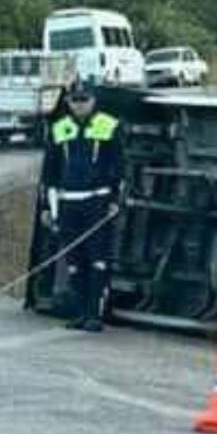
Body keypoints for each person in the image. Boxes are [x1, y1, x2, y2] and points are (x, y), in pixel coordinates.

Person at [39, 79, 122, 332]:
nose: (79, 105)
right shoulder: (59, 128)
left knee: (97, 259)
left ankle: (95, 315)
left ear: (93, 100)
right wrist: (47, 207)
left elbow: (119, 165)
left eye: (84, 99)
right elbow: (49, 172)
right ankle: (81, 312)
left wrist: (115, 200)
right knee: (74, 261)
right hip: (67, 202)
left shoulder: (109, 126)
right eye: (74, 100)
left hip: (96, 200)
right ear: (68, 102)